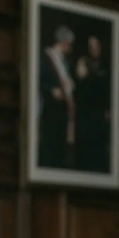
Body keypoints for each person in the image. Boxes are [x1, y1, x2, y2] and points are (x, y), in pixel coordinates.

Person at [38, 25, 76, 168]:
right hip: (50, 107)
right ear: (64, 42)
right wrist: (51, 90)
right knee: (50, 142)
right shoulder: (47, 57)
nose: (70, 47)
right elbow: (39, 80)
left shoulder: (66, 61)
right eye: (69, 44)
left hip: (63, 108)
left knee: (61, 143)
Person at [73, 34, 110, 173]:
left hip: (99, 112)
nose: (94, 49)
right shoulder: (83, 62)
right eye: (91, 46)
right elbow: (80, 84)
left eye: (96, 46)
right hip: (85, 112)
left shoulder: (105, 65)